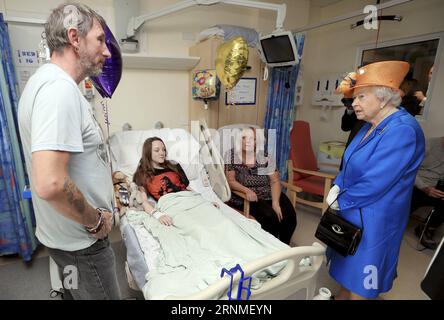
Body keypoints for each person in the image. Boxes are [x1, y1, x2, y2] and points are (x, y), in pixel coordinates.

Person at [18, 3, 121, 299]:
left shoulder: (43, 83)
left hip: (66, 241)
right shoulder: (58, 91)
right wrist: (96, 221)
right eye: (100, 40)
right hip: (84, 246)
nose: (107, 52)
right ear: (75, 38)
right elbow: (50, 183)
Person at [131, 137, 289, 298]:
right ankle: (230, 265)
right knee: (201, 231)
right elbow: (144, 201)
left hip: (193, 200)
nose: (162, 152)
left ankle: (255, 259)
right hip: (173, 207)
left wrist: (205, 201)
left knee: (226, 224)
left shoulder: (174, 166)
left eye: (163, 149)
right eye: (157, 150)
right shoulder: (142, 174)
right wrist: (157, 214)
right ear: (148, 152)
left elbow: (187, 188)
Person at [327, 60, 425, 300]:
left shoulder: (402, 130)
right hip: (351, 211)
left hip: (374, 219)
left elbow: (376, 182)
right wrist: (338, 183)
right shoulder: (370, 124)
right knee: (344, 270)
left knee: (361, 278)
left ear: (383, 98)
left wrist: (341, 198)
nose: (354, 103)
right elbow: (350, 162)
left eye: (360, 97)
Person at [224, 127, 297, 245]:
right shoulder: (231, 156)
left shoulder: (264, 156)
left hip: (268, 192)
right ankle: (269, 248)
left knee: (289, 215)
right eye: (243, 138)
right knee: (270, 217)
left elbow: (274, 181)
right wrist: (246, 190)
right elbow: (230, 181)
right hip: (246, 195)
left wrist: (275, 203)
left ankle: (283, 246)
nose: (247, 141)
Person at [411, 136, 444, 250]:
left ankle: (426, 229)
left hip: (435, 186)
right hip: (416, 184)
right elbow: (408, 169)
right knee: (410, 199)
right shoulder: (427, 145)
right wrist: (424, 187)